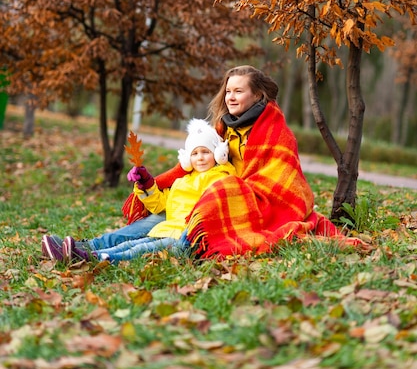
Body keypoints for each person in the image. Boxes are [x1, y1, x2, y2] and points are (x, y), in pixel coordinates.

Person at [180, 65, 366, 258]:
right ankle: (169, 240)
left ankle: (178, 246)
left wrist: (234, 190)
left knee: (202, 216)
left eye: (238, 91)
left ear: (257, 95)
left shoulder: (277, 132)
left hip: (262, 204)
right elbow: (191, 163)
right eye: (228, 91)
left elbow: (281, 184)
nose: (231, 97)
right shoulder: (222, 128)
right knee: (160, 219)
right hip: (221, 199)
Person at [42, 119, 235, 263]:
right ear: (186, 158)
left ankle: (91, 258)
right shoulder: (183, 181)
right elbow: (160, 205)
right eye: (194, 153)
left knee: (140, 248)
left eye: (206, 152)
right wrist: (146, 185)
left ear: (218, 154)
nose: (200, 158)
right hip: (168, 227)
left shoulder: (220, 177)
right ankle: (83, 251)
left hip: (185, 233)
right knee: (128, 244)